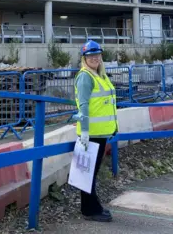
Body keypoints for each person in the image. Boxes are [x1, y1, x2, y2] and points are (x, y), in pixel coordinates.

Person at [74, 40, 118, 223]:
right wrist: (84, 131)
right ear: (84, 58)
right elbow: (83, 105)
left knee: (90, 173)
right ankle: (90, 210)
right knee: (88, 174)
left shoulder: (100, 75)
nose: (95, 58)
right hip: (91, 134)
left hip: (100, 134)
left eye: (97, 55)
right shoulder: (85, 77)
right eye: (91, 55)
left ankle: (92, 207)